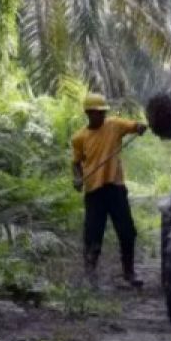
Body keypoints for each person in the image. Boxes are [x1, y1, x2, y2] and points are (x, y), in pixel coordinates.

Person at [71, 93, 147, 288]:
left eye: (104, 112)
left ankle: (129, 273)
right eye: (98, 112)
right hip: (94, 192)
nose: (102, 115)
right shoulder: (80, 138)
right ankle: (90, 275)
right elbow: (76, 163)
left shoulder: (114, 125)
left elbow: (135, 126)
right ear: (88, 113)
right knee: (92, 234)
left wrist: (139, 127)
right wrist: (78, 178)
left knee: (127, 231)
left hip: (115, 188)